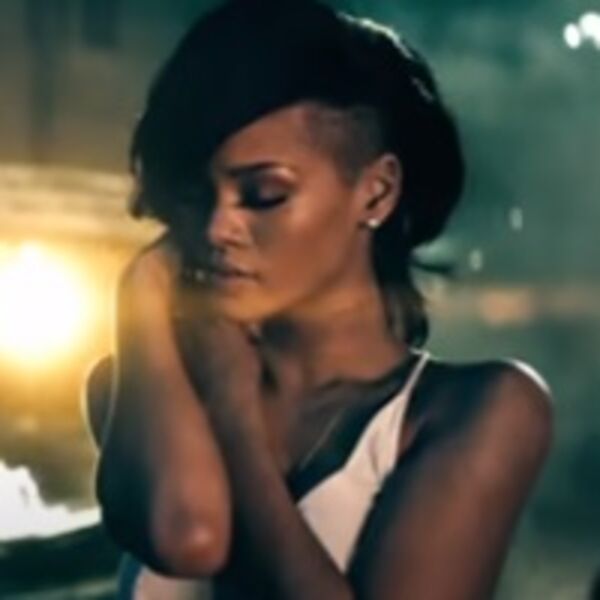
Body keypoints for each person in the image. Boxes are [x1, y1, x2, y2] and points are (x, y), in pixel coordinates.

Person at [84, 1, 553, 598]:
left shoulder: (478, 409)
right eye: (197, 195)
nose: (217, 229)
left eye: (263, 194)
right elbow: (188, 536)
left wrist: (234, 415)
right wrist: (139, 293)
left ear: (376, 193)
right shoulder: (142, 387)